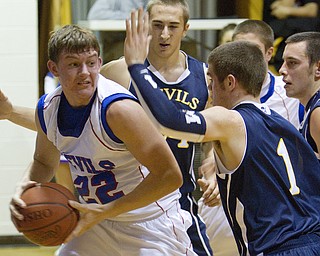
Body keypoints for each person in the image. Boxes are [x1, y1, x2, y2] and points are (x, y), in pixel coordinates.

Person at [124, 9, 320, 255]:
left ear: (229, 82)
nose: (208, 91)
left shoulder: (232, 118)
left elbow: (170, 121)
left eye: (211, 82)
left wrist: (136, 66)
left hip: (277, 247)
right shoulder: (282, 123)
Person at [9, 24, 197, 256]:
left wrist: (106, 211)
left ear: (99, 62)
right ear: (54, 68)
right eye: (74, 64)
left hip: (149, 222)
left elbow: (170, 176)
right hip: (97, 221)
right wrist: (25, 186)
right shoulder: (48, 108)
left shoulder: (118, 110)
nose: (85, 72)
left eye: (91, 62)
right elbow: (45, 162)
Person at [101, 1, 215, 255]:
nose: (164, 34)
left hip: (179, 202)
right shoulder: (117, 73)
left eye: (173, 26)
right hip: (127, 206)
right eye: (157, 25)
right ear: (146, 27)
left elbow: (216, 137)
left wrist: (214, 167)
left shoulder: (205, 77)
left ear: (185, 29)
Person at [198, 19, 303, 256]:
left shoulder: (290, 93)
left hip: (276, 208)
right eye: (236, 48)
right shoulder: (217, 92)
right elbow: (212, 147)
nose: (241, 56)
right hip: (228, 197)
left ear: (268, 53)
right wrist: (212, 173)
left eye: (251, 49)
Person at [279, 31, 320, 159]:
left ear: (318, 69)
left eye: (292, 63)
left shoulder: (318, 113)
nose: (282, 70)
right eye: (284, 62)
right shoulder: (311, 107)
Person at [263, 0, 320, 70]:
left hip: (305, 31)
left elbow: (312, 10)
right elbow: (277, 10)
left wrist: (288, 11)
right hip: (278, 30)